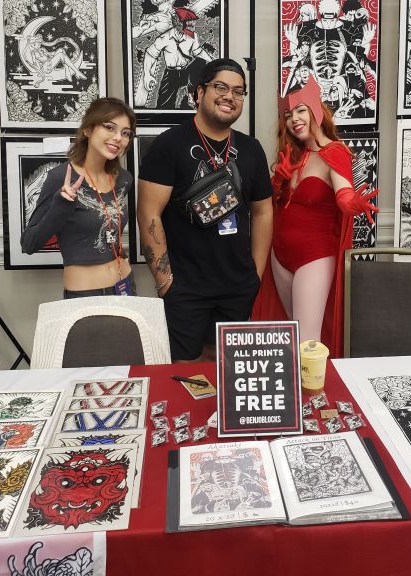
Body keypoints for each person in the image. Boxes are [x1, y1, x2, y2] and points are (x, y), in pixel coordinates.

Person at [137, 58, 273, 362]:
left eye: (238, 91)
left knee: (227, 368)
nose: (229, 96)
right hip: (185, 287)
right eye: (220, 87)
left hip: (238, 285)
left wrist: (255, 275)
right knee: (184, 372)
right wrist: (165, 281)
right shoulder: (168, 145)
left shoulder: (252, 149)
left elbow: (263, 212)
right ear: (199, 92)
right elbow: (148, 214)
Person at [253, 76, 377, 355]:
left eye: (300, 110)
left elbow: (343, 193)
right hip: (279, 255)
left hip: (314, 256)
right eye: (288, 115)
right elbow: (273, 206)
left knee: (306, 343)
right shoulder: (296, 155)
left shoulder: (335, 152)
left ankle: (313, 386)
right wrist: (278, 181)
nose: (294, 119)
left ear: (316, 111)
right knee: (290, 334)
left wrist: (352, 202)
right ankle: (294, 385)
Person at [21, 97, 137, 298]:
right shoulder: (59, 178)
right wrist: (60, 204)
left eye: (125, 133)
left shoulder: (124, 179)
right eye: (110, 128)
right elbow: (29, 244)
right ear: (87, 130)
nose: (118, 137)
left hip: (124, 285)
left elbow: (109, 231)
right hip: (85, 294)